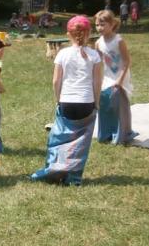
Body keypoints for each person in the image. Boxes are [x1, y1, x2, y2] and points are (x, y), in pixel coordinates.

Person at [30, 15, 101, 186]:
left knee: (60, 139)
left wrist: (58, 100)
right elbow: (97, 82)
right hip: (86, 102)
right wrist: (96, 103)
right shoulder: (94, 55)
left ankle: (54, 170)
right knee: (81, 143)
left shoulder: (63, 53)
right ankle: (73, 178)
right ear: (89, 33)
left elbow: (56, 81)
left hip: (67, 101)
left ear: (68, 34)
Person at [94, 10, 137, 144]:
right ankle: (106, 133)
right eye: (97, 25)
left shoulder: (119, 41)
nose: (99, 28)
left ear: (112, 24)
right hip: (107, 78)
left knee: (118, 105)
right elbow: (98, 63)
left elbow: (127, 61)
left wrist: (120, 80)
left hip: (120, 77)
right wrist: (97, 79)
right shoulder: (98, 43)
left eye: (103, 24)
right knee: (105, 104)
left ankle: (122, 134)